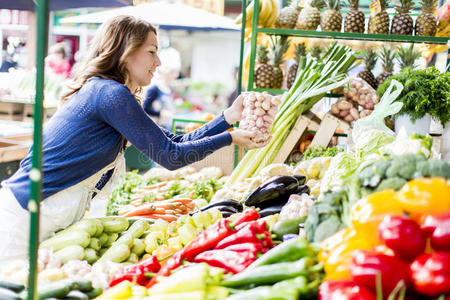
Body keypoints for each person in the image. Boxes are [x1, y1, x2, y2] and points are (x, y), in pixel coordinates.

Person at [0, 15, 267, 265]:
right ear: (126, 52)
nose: (159, 62)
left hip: (41, 216)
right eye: (152, 52)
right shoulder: (110, 94)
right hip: (24, 220)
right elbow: (171, 157)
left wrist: (228, 116)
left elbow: (173, 142)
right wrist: (230, 138)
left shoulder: (109, 92)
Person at [143, 47, 181, 130]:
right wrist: (160, 113)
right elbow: (145, 108)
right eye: (173, 72)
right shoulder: (155, 88)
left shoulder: (169, 88)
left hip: (167, 128)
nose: (176, 75)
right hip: (157, 129)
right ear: (166, 71)